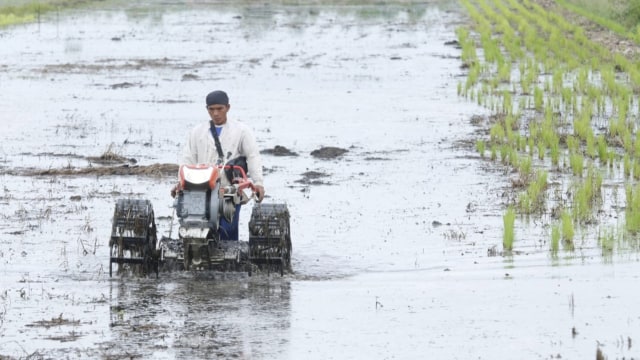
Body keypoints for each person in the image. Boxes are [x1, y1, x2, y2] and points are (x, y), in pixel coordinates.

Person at [179, 90, 265, 240]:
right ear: (207, 109)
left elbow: (253, 156)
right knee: (193, 224)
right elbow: (187, 160)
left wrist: (258, 183)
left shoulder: (241, 131)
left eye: (220, 109)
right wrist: (180, 183)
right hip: (201, 187)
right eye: (211, 109)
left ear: (228, 108)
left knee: (227, 229)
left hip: (229, 189)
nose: (216, 113)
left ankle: (231, 258)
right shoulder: (197, 132)